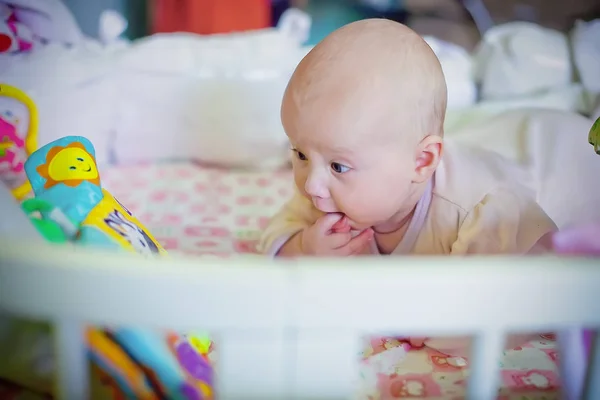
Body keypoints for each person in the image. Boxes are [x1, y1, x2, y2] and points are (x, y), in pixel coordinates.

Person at [258, 18, 557, 257]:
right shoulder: (325, 191)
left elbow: (519, 295)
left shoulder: (474, 216)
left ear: (421, 162)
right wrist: (302, 249)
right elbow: (277, 232)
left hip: (551, 162)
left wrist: (443, 322)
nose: (311, 184)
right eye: (300, 154)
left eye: (338, 166)